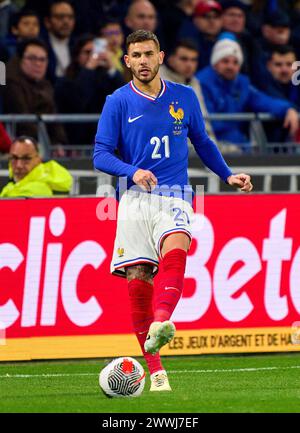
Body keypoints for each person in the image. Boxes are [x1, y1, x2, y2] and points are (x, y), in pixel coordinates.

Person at [93, 29, 253, 392]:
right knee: (138, 278)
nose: (144, 61)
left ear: (161, 57)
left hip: (177, 193)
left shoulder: (184, 96)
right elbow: (100, 154)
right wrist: (132, 170)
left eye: (149, 54)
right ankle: (156, 371)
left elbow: (203, 141)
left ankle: (161, 322)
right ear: (127, 60)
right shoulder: (117, 101)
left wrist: (227, 175)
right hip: (133, 198)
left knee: (176, 247)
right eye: (136, 55)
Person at [196, 37, 299, 152]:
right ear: (215, 63)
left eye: (235, 62)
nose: (230, 66)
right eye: (225, 61)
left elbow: (263, 100)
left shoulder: (242, 83)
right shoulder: (201, 83)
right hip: (212, 147)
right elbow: (210, 124)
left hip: (240, 147)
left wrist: (287, 109)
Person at [55, 34, 125, 145]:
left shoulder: (105, 78)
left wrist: (111, 68)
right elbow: (78, 99)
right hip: (75, 140)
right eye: (87, 52)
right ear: (77, 56)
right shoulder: (66, 80)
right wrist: (89, 68)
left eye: (95, 52)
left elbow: (123, 96)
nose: (93, 56)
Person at [3, 38, 68, 152]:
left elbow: (53, 117)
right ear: (20, 59)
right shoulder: (10, 82)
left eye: (42, 59)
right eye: (32, 58)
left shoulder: (45, 84)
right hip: (22, 147)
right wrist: (42, 145)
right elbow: (23, 119)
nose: (38, 63)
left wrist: (59, 142)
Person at [159, 38, 216, 140]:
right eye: (184, 59)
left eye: (193, 60)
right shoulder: (156, 80)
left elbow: (203, 119)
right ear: (170, 59)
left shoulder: (194, 82)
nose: (189, 65)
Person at [0, 135, 72, 197]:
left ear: (38, 160)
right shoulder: (12, 186)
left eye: (26, 158)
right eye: (14, 158)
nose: (19, 165)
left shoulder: (35, 191)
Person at [178, 0, 223, 70]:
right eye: (206, 16)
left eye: (216, 17)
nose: (212, 21)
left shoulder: (226, 39)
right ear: (195, 19)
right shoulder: (187, 40)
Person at [43, 0, 76, 83]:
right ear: (47, 22)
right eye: (60, 17)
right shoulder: (40, 45)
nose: (66, 22)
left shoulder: (78, 45)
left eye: (70, 17)